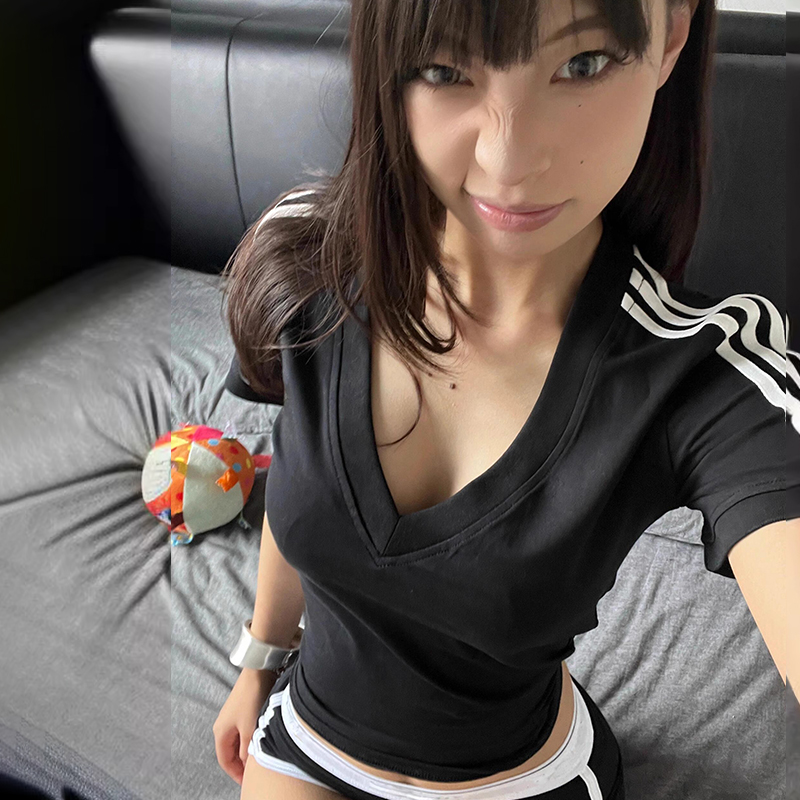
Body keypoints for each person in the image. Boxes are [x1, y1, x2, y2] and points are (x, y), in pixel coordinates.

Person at [213, 0, 797, 798]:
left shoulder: (706, 375)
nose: (509, 159)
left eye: (583, 63)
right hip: (309, 735)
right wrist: (259, 661)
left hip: (516, 779)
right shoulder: (312, 260)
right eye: (444, 68)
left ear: (670, 34)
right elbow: (299, 480)